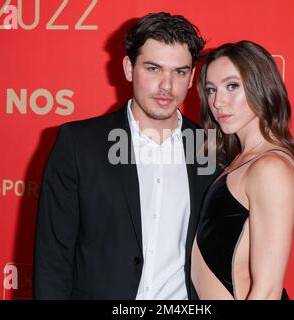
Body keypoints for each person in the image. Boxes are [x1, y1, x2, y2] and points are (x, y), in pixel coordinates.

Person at [33, 12, 216, 299]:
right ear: (129, 68)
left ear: (192, 77)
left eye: (179, 72)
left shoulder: (210, 150)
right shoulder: (79, 144)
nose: (166, 86)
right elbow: (52, 256)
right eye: (153, 69)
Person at [191, 41, 294, 300]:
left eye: (232, 86)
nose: (218, 101)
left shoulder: (270, 167)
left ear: (261, 86)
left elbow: (268, 291)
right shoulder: (243, 160)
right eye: (211, 89)